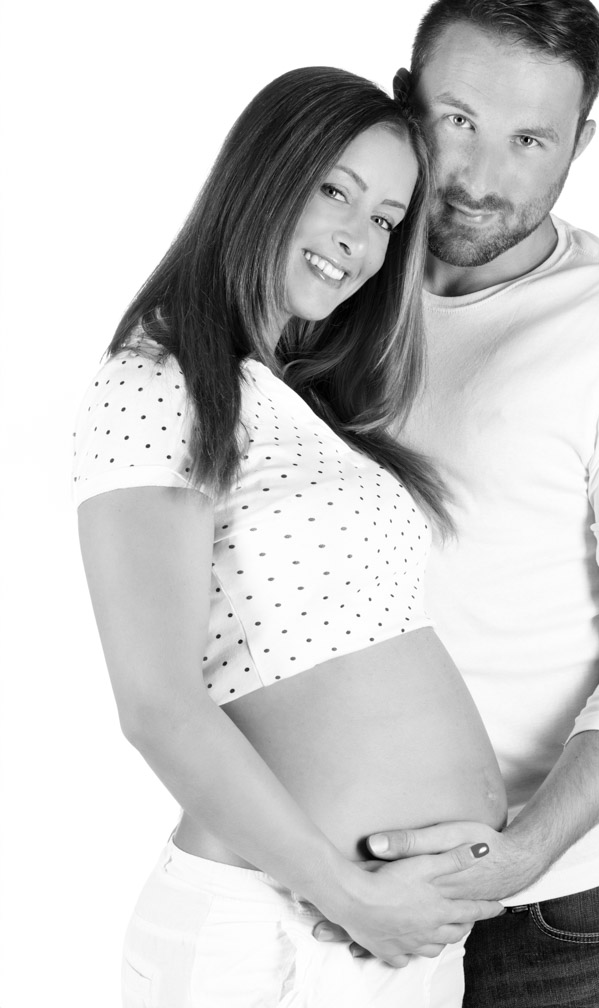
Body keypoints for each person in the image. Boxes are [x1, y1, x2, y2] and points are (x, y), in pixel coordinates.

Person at [313, 0, 599, 1007]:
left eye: (529, 140)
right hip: (341, 890)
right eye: (456, 120)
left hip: (568, 916)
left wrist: (522, 852)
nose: (478, 175)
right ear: (403, 98)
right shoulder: (324, 287)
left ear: (579, 143)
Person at [72, 66, 508, 1008]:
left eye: (387, 218)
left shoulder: (288, 401)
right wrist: (351, 895)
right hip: (279, 934)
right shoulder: (159, 381)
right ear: (263, 178)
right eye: (335, 192)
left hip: (384, 939)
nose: (359, 239)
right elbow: (156, 705)